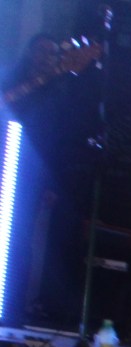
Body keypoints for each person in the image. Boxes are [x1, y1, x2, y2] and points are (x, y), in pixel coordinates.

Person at [3, 33, 100, 330]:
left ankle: (12, 308)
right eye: (41, 52)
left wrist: (50, 183)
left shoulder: (60, 91)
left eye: (51, 53)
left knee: (20, 240)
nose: (46, 58)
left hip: (31, 171)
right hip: (6, 156)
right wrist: (44, 78)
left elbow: (60, 138)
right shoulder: (13, 79)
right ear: (29, 53)